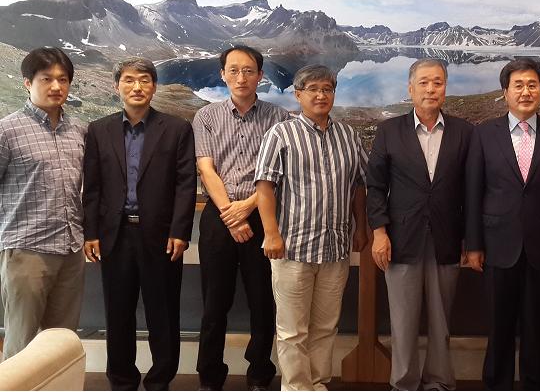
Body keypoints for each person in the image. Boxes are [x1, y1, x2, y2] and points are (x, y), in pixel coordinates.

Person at [82, 58, 196, 390]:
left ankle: (160, 381)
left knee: (163, 312)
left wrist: (180, 231)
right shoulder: (98, 130)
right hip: (115, 235)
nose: (137, 87)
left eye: (144, 80)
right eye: (129, 80)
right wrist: (91, 232)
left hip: (161, 237)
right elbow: (93, 187)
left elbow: (185, 184)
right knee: (118, 313)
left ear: (154, 86)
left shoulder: (176, 129)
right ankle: (122, 381)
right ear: (117, 86)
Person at [254, 65, 368, 391]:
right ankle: (296, 387)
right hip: (292, 248)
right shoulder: (280, 134)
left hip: (335, 248)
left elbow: (360, 185)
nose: (321, 95)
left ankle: (318, 384)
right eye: (313, 89)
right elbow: (264, 186)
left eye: (327, 89)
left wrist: (361, 227)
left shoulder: (349, 136)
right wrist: (271, 233)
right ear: (298, 94)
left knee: (326, 327)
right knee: (292, 330)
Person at [465, 58, 540, 390]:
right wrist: (473, 244)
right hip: (496, 246)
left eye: (532, 85)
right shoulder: (484, 134)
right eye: (518, 85)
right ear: (505, 92)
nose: (526, 92)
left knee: (535, 326)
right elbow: (473, 192)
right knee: (498, 326)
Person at [367, 58, 473, 390]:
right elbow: (375, 186)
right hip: (400, 239)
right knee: (402, 320)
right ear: (410, 88)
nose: (431, 89)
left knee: (441, 320)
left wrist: (471, 239)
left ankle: (439, 381)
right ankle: (404, 383)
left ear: (445, 88)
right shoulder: (389, 131)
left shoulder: (464, 132)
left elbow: (471, 190)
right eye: (424, 82)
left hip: (447, 238)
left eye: (437, 82)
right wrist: (379, 232)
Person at [193, 46, 290, 390]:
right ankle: (209, 376)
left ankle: (260, 374)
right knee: (214, 302)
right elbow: (206, 169)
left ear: (260, 76)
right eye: (233, 70)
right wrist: (230, 215)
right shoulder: (206, 117)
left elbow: (282, 173)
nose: (241, 77)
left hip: (263, 217)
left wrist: (248, 207)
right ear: (222, 75)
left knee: (262, 301)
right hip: (219, 217)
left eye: (248, 70)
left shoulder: (279, 118)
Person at [0, 47, 86, 360]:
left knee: (62, 345)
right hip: (27, 252)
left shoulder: (78, 130)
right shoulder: (6, 131)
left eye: (63, 79)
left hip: (70, 251)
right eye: (46, 78)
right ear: (28, 82)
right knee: (21, 346)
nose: (56, 86)